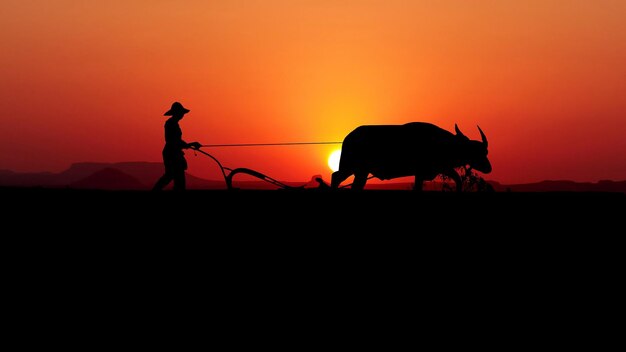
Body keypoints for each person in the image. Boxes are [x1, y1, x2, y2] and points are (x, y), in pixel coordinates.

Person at [152, 101, 201, 191]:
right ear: (177, 113)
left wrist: (189, 144)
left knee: (172, 177)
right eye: (181, 113)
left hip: (173, 153)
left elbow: (177, 141)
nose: (182, 115)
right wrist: (190, 144)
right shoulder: (171, 124)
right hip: (172, 154)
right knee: (174, 177)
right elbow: (172, 141)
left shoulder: (173, 123)